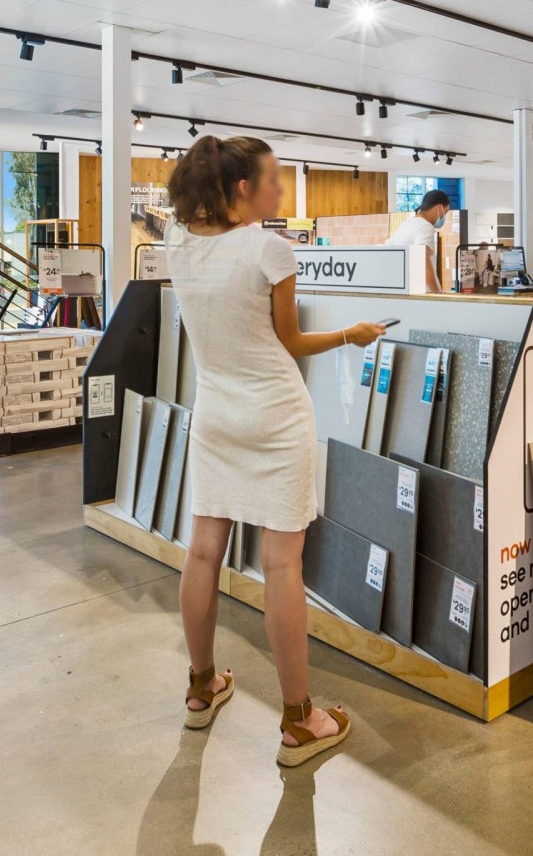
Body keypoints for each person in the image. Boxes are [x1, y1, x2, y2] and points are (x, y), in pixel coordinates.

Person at [163, 135, 389, 765]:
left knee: (202, 552)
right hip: (276, 417)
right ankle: (299, 721)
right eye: (272, 179)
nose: (280, 189)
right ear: (242, 188)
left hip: (216, 416)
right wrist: (351, 334)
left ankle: (202, 687)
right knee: (283, 566)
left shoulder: (179, 245)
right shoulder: (269, 249)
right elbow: (289, 341)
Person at [387, 188, 449, 293]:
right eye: (445, 212)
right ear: (439, 208)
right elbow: (423, 263)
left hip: (407, 290)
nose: (444, 217)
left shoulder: (406, 224)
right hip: (423, 293)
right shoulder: (425, 227)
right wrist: (438, 293)